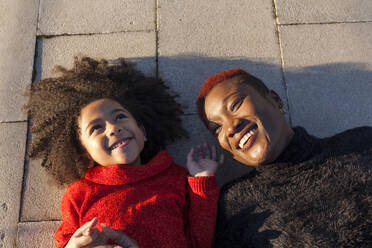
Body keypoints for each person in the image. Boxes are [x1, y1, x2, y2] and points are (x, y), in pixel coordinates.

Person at [25, 57, 224, 248]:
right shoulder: (80, 194)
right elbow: (66, 240)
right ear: (85, 153)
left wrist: (202, 181)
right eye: (96, 128)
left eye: (119, 117)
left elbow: (200, 241)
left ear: (143, 132)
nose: (113, 128)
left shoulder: (176, 177)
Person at [196, 68, 372, 247]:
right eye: (217, 128)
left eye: (235, 105)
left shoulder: (361, 143)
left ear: (275, 99)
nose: (229, 128)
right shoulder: (234, 206)